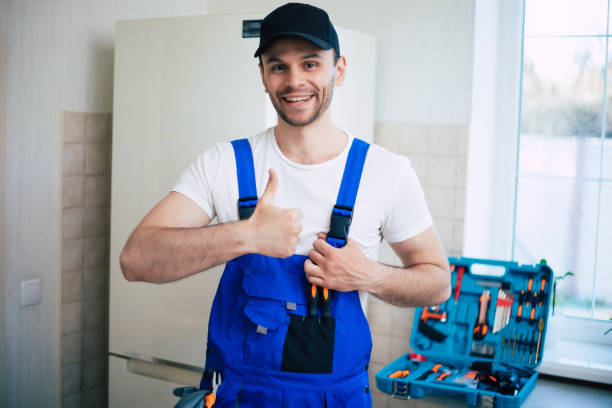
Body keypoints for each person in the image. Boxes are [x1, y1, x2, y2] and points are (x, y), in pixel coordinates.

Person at [119, 2, 450, 407]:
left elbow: (438, 282)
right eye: (278, 67)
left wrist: (367, 276)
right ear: (263, 76)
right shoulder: (224, 163)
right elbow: (135, 261)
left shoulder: (386, 173)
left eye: (310, 64)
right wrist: (244, 235)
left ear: (339, 69)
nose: (294, 81)